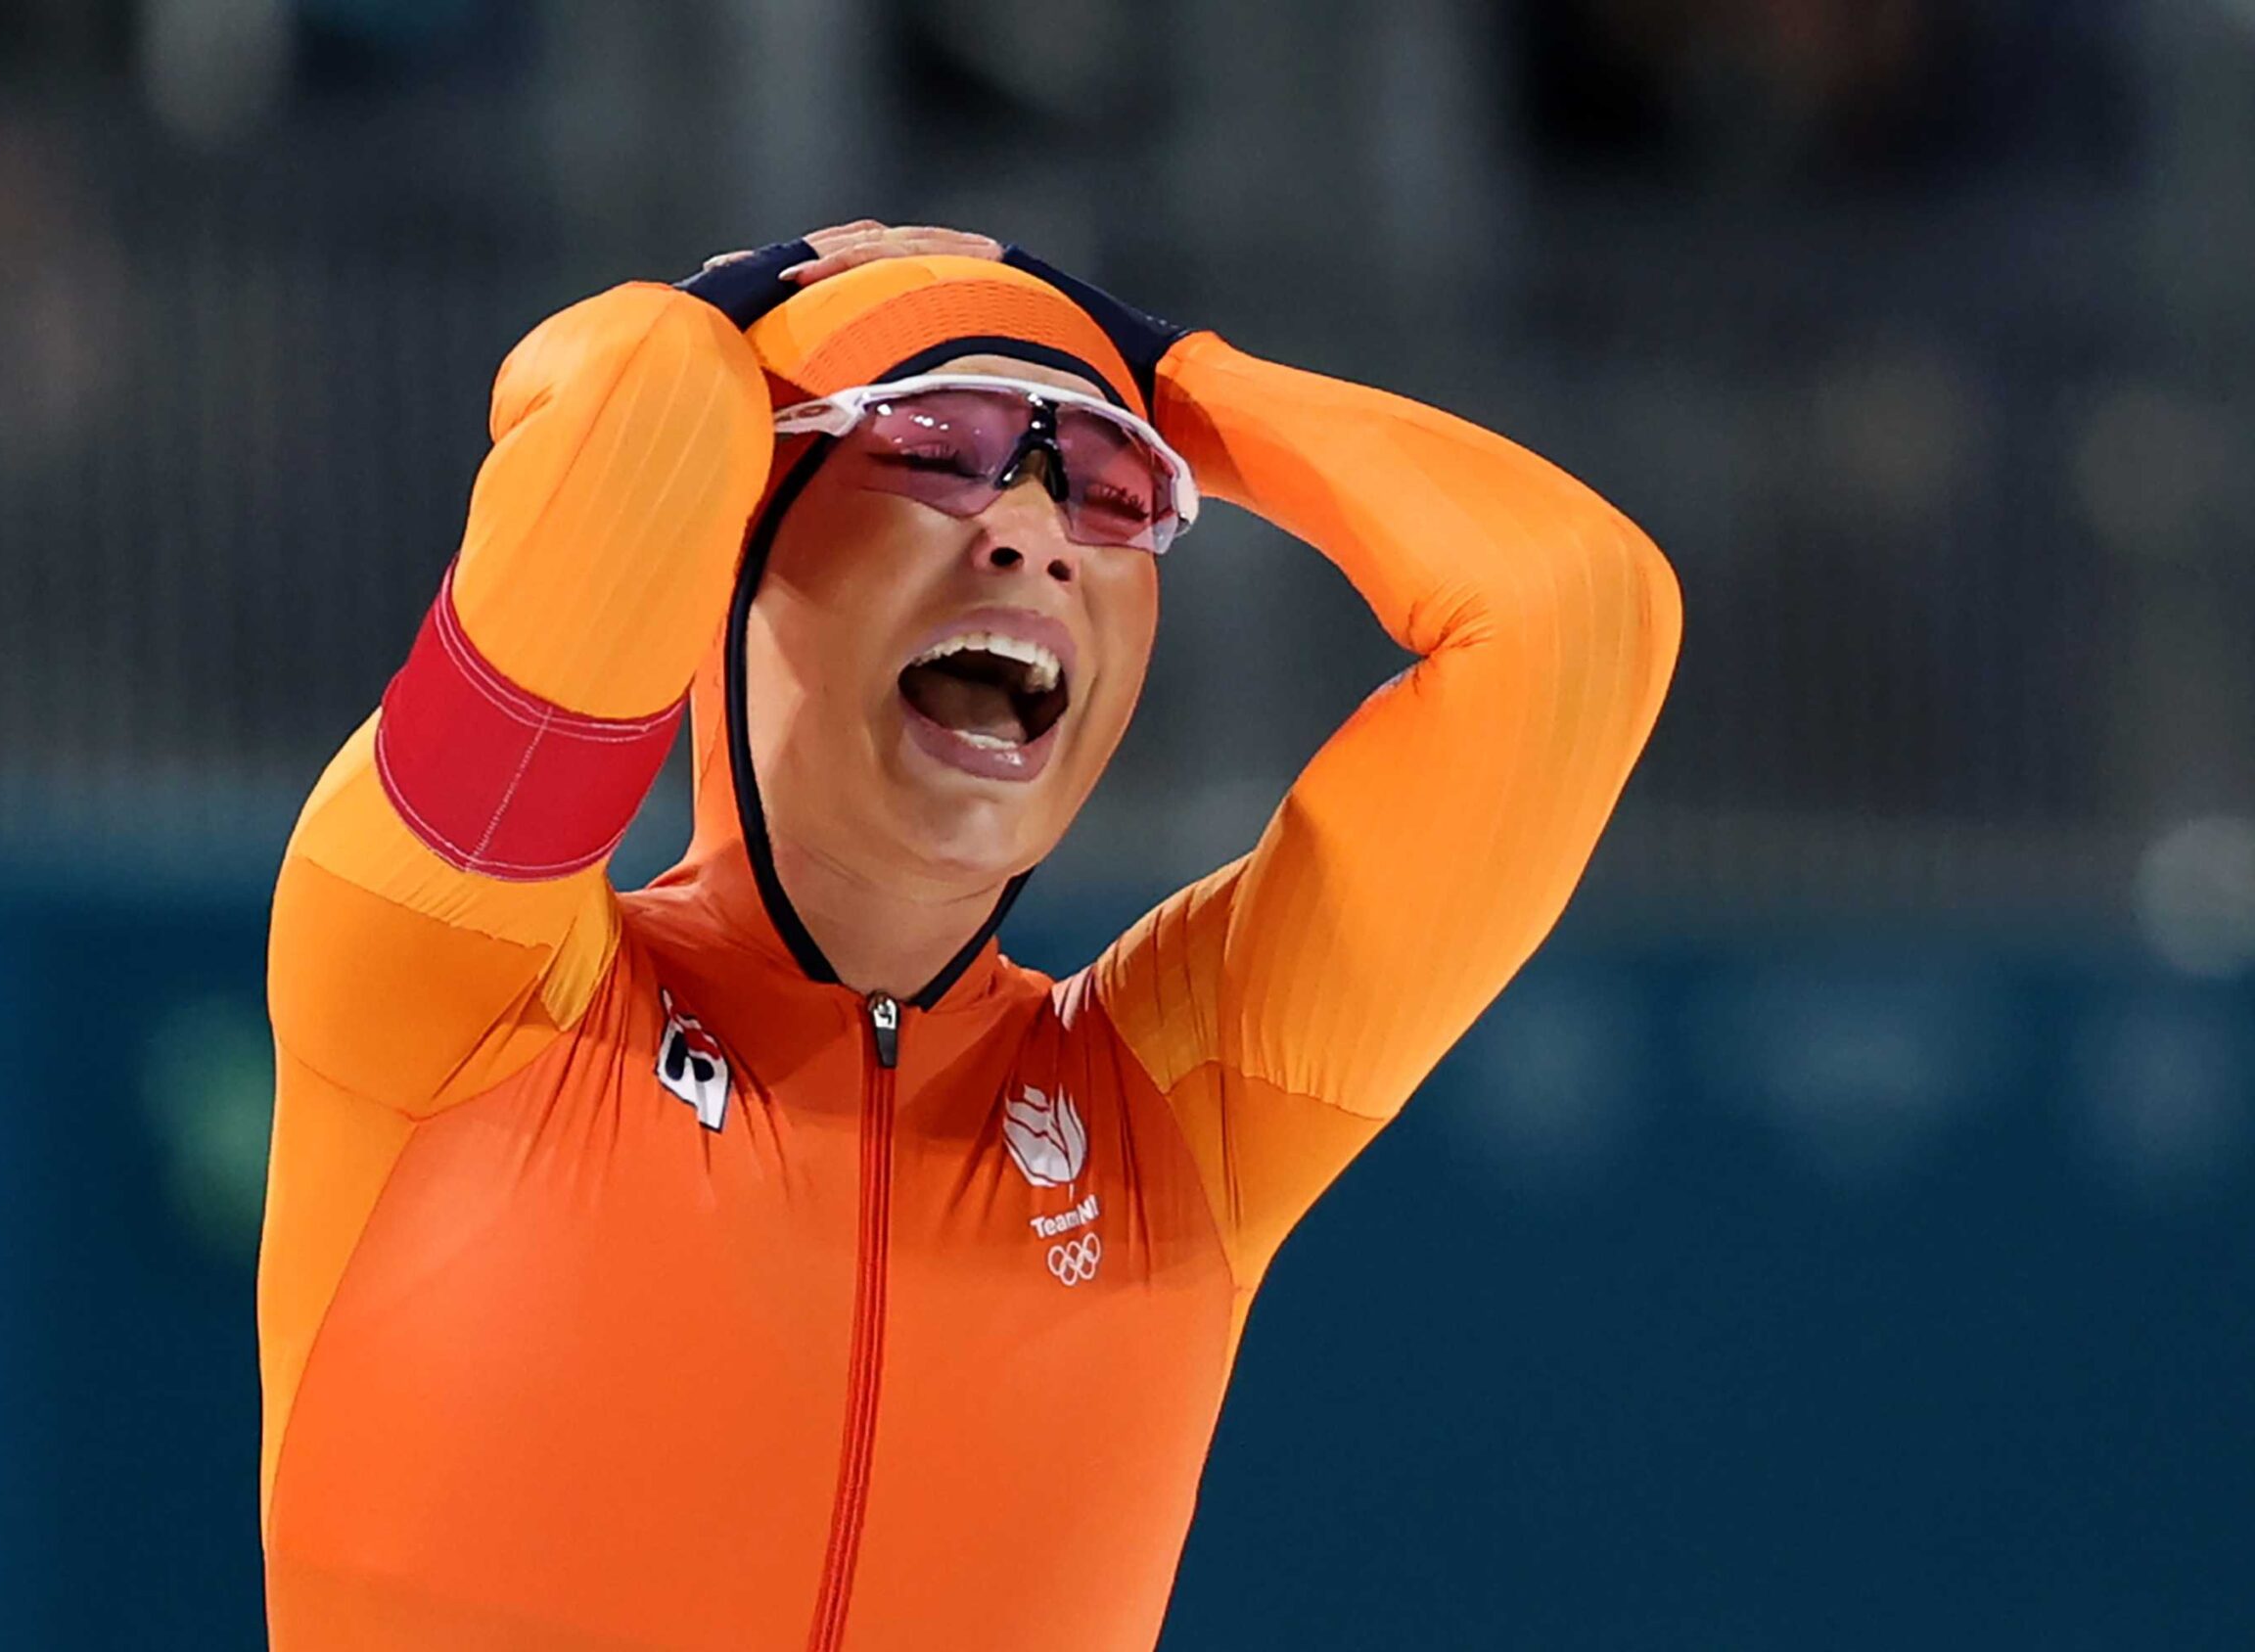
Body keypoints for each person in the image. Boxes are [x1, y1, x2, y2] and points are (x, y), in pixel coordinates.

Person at [258, 219, 1680, 1652]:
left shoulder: (1176, 1118)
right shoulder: (462, 982)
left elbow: (1576, 615)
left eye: (1113, 491)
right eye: (936, 451)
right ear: (736, 550)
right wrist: (741, 303)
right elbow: (643, 415)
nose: (1033, 535)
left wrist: (1167, 372)